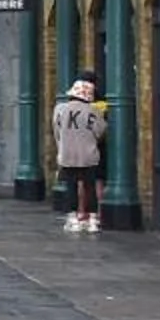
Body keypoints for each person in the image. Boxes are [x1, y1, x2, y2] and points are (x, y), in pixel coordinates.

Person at [52, 76, 107, 234]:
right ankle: (92, 220)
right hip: (89, 155)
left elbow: (56, 132)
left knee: (71, 186)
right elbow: (100, 131)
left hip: (67, 155)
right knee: (90, 187)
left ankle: (73, 219)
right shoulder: (93, 111)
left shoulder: (60, 109)